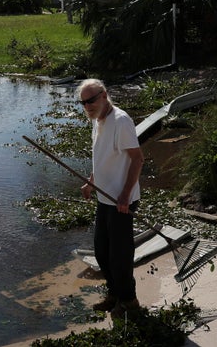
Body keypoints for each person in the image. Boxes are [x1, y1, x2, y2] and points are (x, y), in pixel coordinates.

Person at [78, 77, 144, 315]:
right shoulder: (96, 120)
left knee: (120, 256)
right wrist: (91, 182)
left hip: (122, 201)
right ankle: (114, 293)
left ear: (104, 95)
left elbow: (138, 159)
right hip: (104, 198)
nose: (87, 106)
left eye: (91, 100)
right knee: (101, 252)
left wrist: (125, 195)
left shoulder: (121, 121)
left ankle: (129, 302)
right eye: (83, 102)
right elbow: (102, 157)